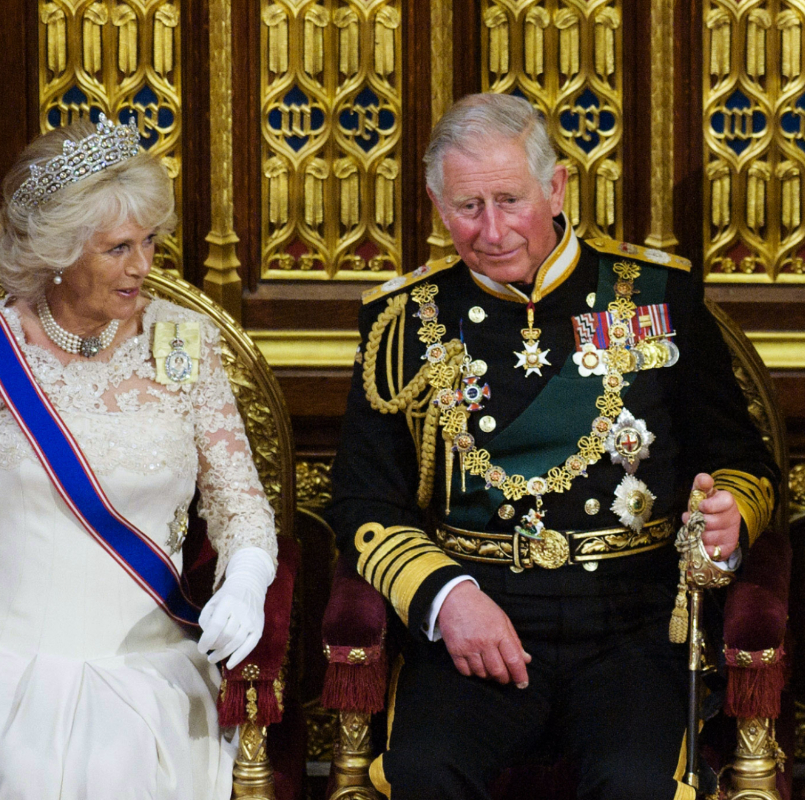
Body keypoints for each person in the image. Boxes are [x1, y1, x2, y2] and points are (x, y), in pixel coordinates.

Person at [325, 93, 778, 799]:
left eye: (511, 200)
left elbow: (740, 460)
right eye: (468, 208)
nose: (493, 229)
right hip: (480, 621)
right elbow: (362, 500)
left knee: (638, 785)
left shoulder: (657, 295)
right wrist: (448, 599)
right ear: (437, 206)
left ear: (558, 187)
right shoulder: (402, 323)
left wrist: (729, 517)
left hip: (630, 623)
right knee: (423, 772)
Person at [0, 117, 278, 798]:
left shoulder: (184, 344)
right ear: (58, 253)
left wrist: (246, 578)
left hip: (148, 671)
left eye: (150, 241)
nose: (144, 265)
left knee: (124, 771)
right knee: (18, 773)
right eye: (118, 247)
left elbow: (240, 501)